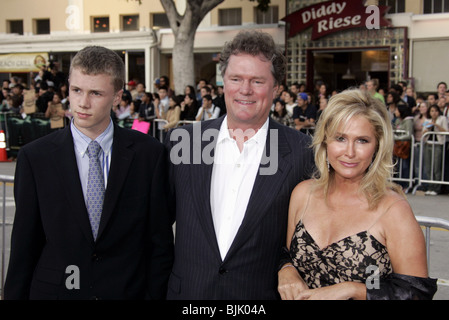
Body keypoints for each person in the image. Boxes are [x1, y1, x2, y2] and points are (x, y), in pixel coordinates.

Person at [4, 45, 174, 300]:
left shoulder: (149, 154)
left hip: (128, 292)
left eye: (95, 93)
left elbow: (159, 242)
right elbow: (24, 245)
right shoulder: (35, 157)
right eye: (76, 90)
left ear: (117, 97)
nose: (82, 103)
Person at [165, 30, 315, 300]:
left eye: (257, 81)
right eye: (236, 79)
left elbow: (309, 238)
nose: (245, 90)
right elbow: (156, 226)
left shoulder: (302, 154)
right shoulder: (183, 143)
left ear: (276, 87)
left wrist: (288, 266)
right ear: (223, 81)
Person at [277, 89, 437, 300]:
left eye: (362, 140)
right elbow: (284, 253)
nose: (349, 152)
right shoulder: (303, 194)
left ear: (377, 146)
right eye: (340, 138)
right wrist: (286, 268)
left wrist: (353, 290)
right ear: (325, 141)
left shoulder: (393, 209)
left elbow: (416, 293)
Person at [422, 104, 448, 196]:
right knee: (428, 167)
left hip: (438, 145)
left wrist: (436, 125)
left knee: (437, 167)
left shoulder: (442, 119)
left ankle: (437, 188)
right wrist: (428, 128)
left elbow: (446, 131)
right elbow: (423, 132)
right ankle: (430, 186)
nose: (434, 113)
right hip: (428, 144)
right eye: (432, 111)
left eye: (436, 111)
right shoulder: (427, 120)